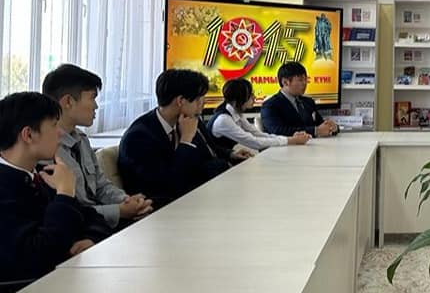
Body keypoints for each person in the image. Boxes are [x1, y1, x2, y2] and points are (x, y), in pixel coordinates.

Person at [0, 92, 106, 293]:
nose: (60, 133)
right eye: (54, 125)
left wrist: (91, 239)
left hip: (62, 285)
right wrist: (65, 194)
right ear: (28, 135)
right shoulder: (5, 186)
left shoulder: (43, 174)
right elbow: (37, 256)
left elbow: (93, 218)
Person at [42, 64, 152, 231]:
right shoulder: (45, 150)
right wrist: (118, 211)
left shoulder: (81, 140)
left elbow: (101, 185)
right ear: (68, 102)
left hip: (101, 222)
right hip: (79, 229)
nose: (96, 106)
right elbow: (70, 209)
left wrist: (126, 200)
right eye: (92, 98)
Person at [118, 69, 242, 209]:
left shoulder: (185, 121)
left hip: (196, 198)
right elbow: (168, 185)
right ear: (181, 101)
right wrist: (186, 141)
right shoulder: (139, 138)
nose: (202, 104)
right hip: (163, 209)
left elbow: (205, 157)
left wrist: (230, 156)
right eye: (198, 99)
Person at [208, 78, 311, 151]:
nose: (254, 97)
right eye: (250, 95)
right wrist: (290, 140)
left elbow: (258, 134)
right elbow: (254, 142)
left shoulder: (237, 113)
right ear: (238, 100)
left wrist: (289, 139)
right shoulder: (223, 120)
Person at [260, 61, 339, 137]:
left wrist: (333, 127)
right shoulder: (270, 105)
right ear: (285, 82)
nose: (305, 83)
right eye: (300, 80)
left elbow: (321, 124)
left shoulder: (308, 102)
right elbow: (276, 131)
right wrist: (315, 131)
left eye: (306, 79)